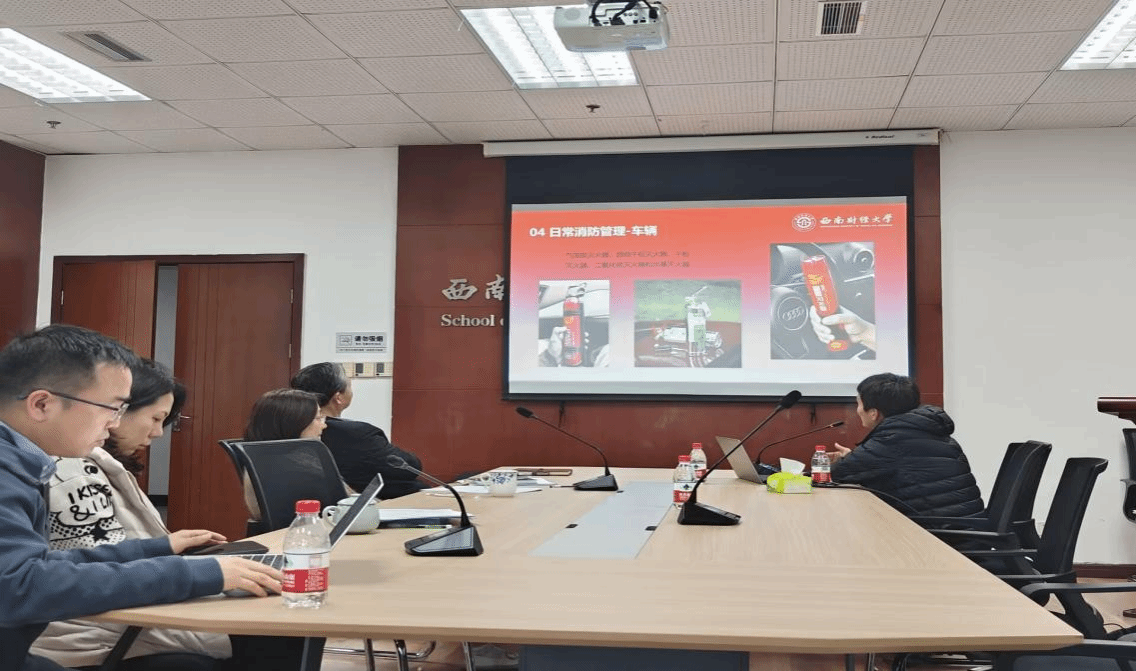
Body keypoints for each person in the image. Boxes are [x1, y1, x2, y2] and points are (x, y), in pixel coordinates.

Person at [0, 325, 281, 671]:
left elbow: (39, 567)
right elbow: (19, 587)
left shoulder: (22, 462)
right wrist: (190, 574)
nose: (113, 424)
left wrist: (159, 550)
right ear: (42, 404)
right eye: (112, 408)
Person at [827, 373, 984, 518]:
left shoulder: (890, 440)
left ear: (873, 413)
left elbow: (834, 474)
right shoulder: (928, 430)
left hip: (938, 533)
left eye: (859, 404)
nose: (858, 411)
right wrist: (851, 458)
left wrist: (844, 461)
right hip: (968, 527)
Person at [290, 363, 425, 498]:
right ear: (338, 397)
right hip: (378, 503)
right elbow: (409, 468)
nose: (322, 425)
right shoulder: (357, 433)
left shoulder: (290, 427)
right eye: (349, 385)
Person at [240, 388, 328, 520]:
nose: (324, 425)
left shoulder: (262, 457)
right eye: (318, 418)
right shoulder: (294, 467)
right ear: (295, 422)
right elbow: (342, 506)